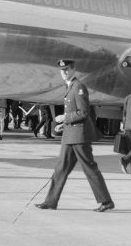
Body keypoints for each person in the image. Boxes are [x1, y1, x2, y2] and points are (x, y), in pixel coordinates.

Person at [35, 59, 114, 212]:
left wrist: (64, 118)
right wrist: (63, 124)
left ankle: (106, 201)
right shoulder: (71, 86)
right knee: (60, 169)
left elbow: (83, 112)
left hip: (79, 136)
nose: (64, 72)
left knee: (89, 168)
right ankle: (50, 201)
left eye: (66, 70)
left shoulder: (78, 87)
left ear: (73, 70)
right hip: (71, 134)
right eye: (61, 70)